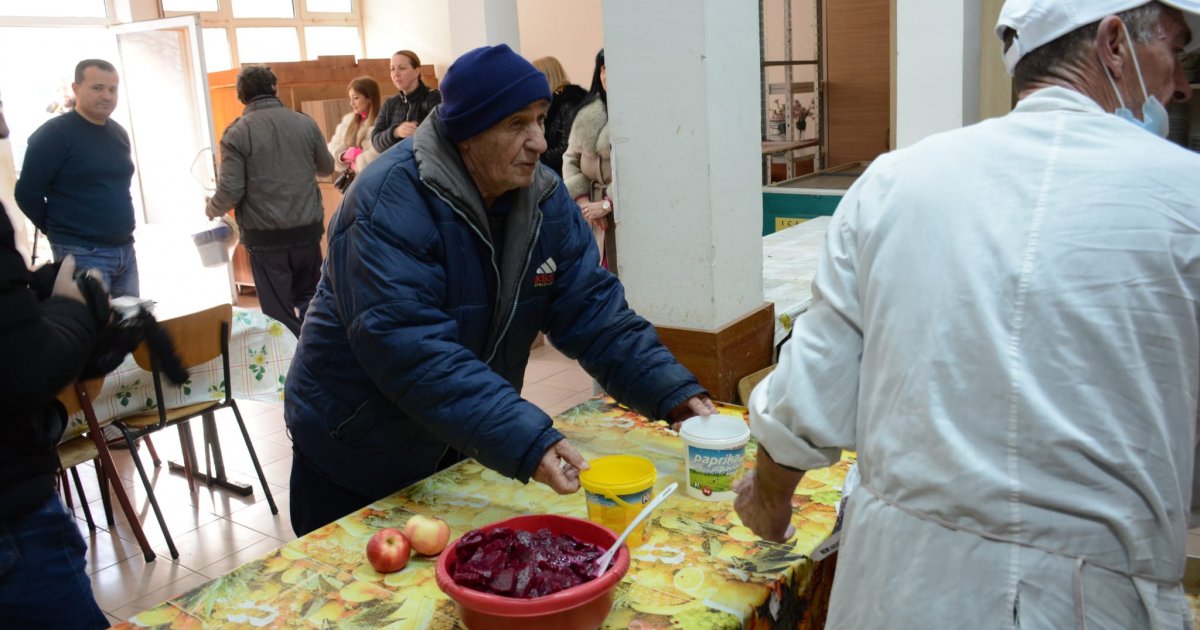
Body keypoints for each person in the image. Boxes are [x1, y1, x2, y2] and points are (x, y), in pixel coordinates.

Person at [733, 1, 1200, 627]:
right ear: (1114, 44)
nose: (1180, 83)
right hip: (1092, 603)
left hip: (898, 587)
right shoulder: (1187, 198)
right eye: (1175, 51)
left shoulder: (896, 182)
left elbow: (811, 390)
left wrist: (769, 503)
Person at [284, 43, 715, 536]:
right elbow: (411, 349)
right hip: (356, 447)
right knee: (353, 606)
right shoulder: (385, 203)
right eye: (516, 125)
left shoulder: (544, 200)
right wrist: (525, 439)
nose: (537, 141)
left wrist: (673, 393)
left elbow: (594, 312)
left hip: (450, 438)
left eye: (539, 118)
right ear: (466, 134)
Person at [0, 104, 109, 629]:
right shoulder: (55, 136)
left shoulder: (113, 136)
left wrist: (28, 296)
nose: (3, 126)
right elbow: (26, 366)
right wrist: (68, 309)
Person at [206, 65, 335, 338]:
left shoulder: (237, 133)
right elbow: (326, 167)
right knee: (313, 300)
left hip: (266, 238)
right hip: (307, 231)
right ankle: (320, 355)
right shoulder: (305, 123)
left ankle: (293, 366)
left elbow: (231, 189)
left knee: (278, 312)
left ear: (241, 96)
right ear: (274, 88)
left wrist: (213, 208)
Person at [16, 59, 139, 297]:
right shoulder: (54, 135)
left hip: (124, 249)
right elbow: (26, 194)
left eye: (112, 89)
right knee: (91, 329)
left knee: (130, 327)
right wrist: (58, 229)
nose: (106, 96)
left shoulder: (118, 133)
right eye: (97, 88)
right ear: (76, 88)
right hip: (82, 252)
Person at [563, 49, 614, 272]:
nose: (606, 75)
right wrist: (584, 204)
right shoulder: (587, 114)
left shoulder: (634, 116)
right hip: (590, 216)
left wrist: (608, 204)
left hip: (623, 211)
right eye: (603, 68)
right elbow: (570, 159)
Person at [370, 50, 441, 155]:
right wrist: (396, 132)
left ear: (417, 71)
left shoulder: (433, 97)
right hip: (395, 162)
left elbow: (438, 136)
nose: (396, 74)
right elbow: (375, 141)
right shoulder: (390, 104)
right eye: (392, 69)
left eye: (402, 68)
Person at [532, 56, 587, 175]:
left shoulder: (568, 102)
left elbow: (567, 147)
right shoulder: (548, 104)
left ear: (547, 76)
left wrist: (539, 158)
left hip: (567, 175)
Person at [327, 76, 382, 183]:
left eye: (356, 98)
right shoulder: (348, 120)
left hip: (372, 182)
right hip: (351, 183)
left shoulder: (381, 122)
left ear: (369, 98)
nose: (351, 103)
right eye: (350, 98)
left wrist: (360, 158)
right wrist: (342, 156)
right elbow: (332, 148)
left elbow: (381, 155)